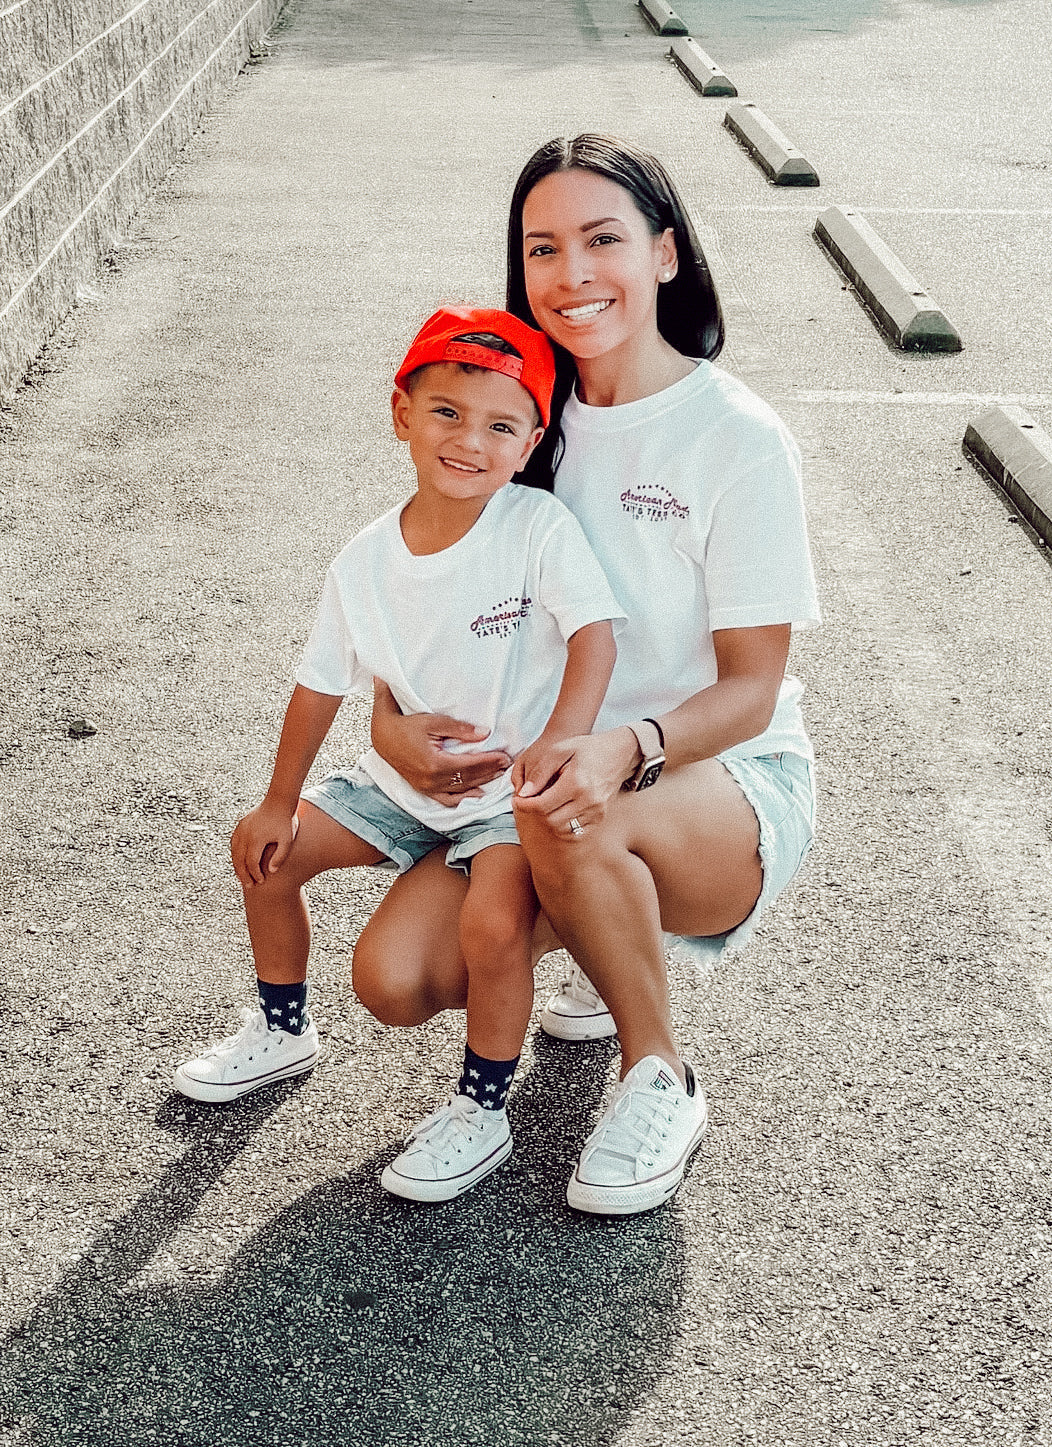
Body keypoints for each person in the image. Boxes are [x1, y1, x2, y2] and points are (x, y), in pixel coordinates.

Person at [354, 134, 821, 1218]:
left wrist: (626, 746)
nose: (572, 275)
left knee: (571, 806)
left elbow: (751, 690)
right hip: (548, 784)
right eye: (543, 249)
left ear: (664, 253)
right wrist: (387, 720)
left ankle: (659, 1074)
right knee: (396, 976)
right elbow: (417, 575)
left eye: (602, 240)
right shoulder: (518, 411)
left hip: (721, 779)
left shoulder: (737, 438)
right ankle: (610, 932)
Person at [174, 305, 621, 1202]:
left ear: (530, 445)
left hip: (507, 798)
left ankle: (482, 1107)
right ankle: (283, 1029)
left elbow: (595, 637)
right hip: (400, 788)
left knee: (491, 924)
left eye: (501, 426)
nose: (470, 440)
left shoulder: (535, 526)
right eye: (447, 412)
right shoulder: (364, 560)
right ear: (402, 413)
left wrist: (556, 744)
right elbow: (319, 684)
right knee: (265, 854)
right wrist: (277, 800)